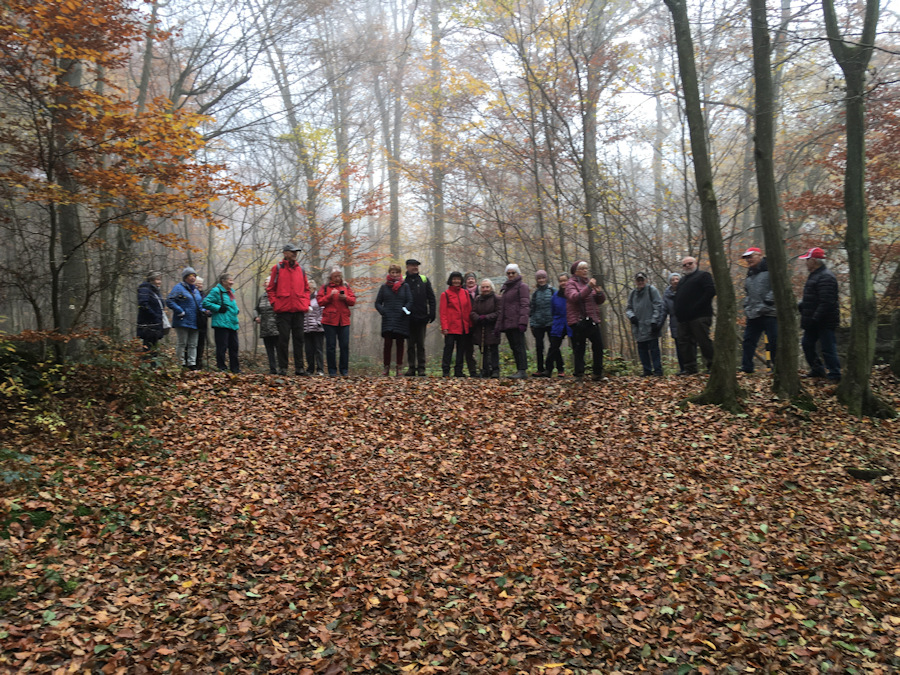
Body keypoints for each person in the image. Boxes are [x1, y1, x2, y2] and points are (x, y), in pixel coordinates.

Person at [797, 247, 841, 381]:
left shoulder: (826, 277)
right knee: (807, 344)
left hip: (824, 321)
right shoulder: (815, 275)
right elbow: (813, 298)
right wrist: (802, 306)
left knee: (828, 348)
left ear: (814, 261)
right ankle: (817, 370)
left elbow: (826, 302)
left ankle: (835, 374)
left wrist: (814, 318)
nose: (806, 262)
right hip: (813, 321)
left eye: (807, 260)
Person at [266, 243, 310, 376]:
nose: (295, 254)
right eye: (292, 251)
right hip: (283, 310)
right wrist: (275, 303)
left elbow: (307, 289)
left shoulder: (301, 270)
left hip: (298, 309)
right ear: (285, 253)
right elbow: (270, 289)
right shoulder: (277, 268)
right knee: (283, 340)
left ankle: (299, 368)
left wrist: (305, 303)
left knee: (299, 339)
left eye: (296, 252)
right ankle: (283, 368)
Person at [673, 256, 716, 374]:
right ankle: (690, 368)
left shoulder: (703, 276)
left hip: (700, 316)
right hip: (683, 318)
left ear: (695, 263)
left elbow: (710, 292)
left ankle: (713, 367)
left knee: (704, 341)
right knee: (684, 343)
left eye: (690, 263)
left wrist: (696, 306)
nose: (687, 266)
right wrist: (677, 311)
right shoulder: (682, 280)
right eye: (684, 265)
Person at [565, 260, 606, 380]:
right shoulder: (570, 284)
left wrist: (599, 293)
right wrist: (589, 287)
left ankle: (597, 373)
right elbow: (575, 297)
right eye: (582, 268)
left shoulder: (590, 283)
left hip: (592, 319)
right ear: (575, 271)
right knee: (579, 348)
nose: (585, 271)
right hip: (578, 320)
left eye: (586, 268)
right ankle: (579, 374)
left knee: (598, 346)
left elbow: (599, 301)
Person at [740, 247, 777, 374]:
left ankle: (777, 368)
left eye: (751, 256)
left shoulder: (771, 269)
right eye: (746, 258)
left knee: (774, 342)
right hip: (753, 313)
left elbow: (777, 286)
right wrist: (747, 304)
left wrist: (769, 300)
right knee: (748, 341)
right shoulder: (750, 274)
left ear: (760, 255)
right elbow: (747, 292)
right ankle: (747, 368)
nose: (748, 260)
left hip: (770, 313)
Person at [375, 264, 413, 376]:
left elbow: (410, 301)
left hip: (401, 319)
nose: (395, 274)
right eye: (392, 272)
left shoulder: (405, 286)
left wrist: (404, 310)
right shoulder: (384, 287)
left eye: (397, 272)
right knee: (387, 344)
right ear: (389, 273)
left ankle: (399, 368)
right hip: (388, 319)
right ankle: (386, 368)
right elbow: (377, 303)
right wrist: (383, 311)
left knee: (400, 343)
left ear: (400, 273)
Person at [317, 268, 356, 376]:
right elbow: (320, 302)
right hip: (329, 321)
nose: (338, 278)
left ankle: (344, 370)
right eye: (335, 276)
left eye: (339, 276)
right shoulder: (325, 287)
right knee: (331, 346)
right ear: (331, 277)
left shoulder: (346, 286)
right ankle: (332, 371)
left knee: (344, 346)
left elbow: (353, 301)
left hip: (344, 320)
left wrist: (345, 298)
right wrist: (329, 296)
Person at [495, 264, 530, 378]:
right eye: (508, 273)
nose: (510, 275)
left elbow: (525, 304)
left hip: (517, 321)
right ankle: (519, 369)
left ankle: (522, 370)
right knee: (514, 347)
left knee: (519, 346)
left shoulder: (522, 286)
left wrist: (523, 321)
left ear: (517, 273)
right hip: (508, 322)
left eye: (513, 273)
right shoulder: (507, 288)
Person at [626, 272, 664, 376]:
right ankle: (647, 371)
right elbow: (628, 308)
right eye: (638, 280)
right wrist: (631, 316)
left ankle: (658, 371)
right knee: (642, 351)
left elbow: (658, 305)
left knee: (654, 350)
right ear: (635, 281)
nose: (640, 282)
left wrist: (654, 321)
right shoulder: (633, 294)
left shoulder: (652, 290)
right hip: (638, 327)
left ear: (646, 280)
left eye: (642, 280)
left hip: (651, 326)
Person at [166, 266, 205, 370]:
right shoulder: (179, 288)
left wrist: (205, 311)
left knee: (193, 344)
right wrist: (180, 310)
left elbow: (200, 305)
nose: (192, 278)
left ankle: (192, 364)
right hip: (182, 320)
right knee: (182, 343)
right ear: (185, 277)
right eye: (190, 276)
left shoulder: (196, 290)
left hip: (195, 321)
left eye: (194, 276)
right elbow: (170, 300)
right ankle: (180, 363)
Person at [403, 259, 436, 376]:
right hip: (407, 318)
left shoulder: (424, 279)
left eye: (416, 265)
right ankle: (411, 367)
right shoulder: (403, 280)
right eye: (412, 265)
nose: (415, 267)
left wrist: (432, 313)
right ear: (407, 267)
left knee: (421, 344)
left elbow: (431, 298)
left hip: (422, 317)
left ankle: (421, 368)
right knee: (410, 344)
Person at [202, 272, 240, 374]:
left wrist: (237, 310)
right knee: (222, 347)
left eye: (232, 280)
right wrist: (218, 308)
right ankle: (222, 368)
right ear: (223, 281)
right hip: (221, 324)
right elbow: (205, 303)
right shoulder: (216, 291)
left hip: (232, 323)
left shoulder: (231, 292)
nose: (232, 282)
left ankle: (235, 369)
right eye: (230, 280)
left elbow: (232, 306)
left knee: (234, 347)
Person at [440, 271, 473, 377]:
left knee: (461, 349)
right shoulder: (445, 294)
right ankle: (446, 370)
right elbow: (443, 312)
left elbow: (469, 310)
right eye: (454, 279)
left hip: (463, 327)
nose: (456, 281)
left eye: (458, 279)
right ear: (451, 280)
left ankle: (458, 371)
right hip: (450, 328)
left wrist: (470, 325)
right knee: (448, 348)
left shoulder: (465, 293)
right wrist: (444, 327)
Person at [541, 273, 571, 377]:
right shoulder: (555, 296)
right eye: (561, 281)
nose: (563, 283)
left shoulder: (573, 294)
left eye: (565, 280)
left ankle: (578, 370)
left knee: (577, 347)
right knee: (553, 347)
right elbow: (552, 310)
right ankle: (548, 369)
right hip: (558, 324)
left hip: (571, 323)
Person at [471, 279, 501, 378]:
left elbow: (499, 312)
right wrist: (478, 318)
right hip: (480, 327)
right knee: (483, 349)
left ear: (491, 287)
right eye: (483, 287)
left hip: (492, 327)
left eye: (487, 287)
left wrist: (487, 317)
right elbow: (473, 312)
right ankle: (484, 370)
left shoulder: (496, 298)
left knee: (493, 349)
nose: (485, 289)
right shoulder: (478, 299)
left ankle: (495, 370)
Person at [529, 270, 555, 377]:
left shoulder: (552, 291)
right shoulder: (535, 294)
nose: (541, 280)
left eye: (543, 278)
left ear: (546, 278)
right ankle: (540, 369)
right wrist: (532, 323)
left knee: (553, 346)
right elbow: (532, 309)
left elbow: (557, 306)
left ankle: (552, 369)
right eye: (539, 278)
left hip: (551, 322)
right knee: (539, 347)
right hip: (538, 323)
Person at [136, 272, 168, 356]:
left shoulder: (155, 291)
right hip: (148, 324)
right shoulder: (145, 289)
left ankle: (153, 366)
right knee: (148, 346)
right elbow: (143, 305)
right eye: (157, 279)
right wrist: (154, 316)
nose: (159, 282)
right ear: (151, 280)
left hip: (155, 324)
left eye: (160, 279)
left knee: (154, 346)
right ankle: (147, 365)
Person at [660, 273, 685, 374]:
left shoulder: (685, 290)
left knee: (689, 346)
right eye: (673, 280)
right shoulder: (667, 295)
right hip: (675, 323)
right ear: (670, 282)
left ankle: (691, 368)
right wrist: (658, 324)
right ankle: (683, 369)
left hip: (687, 321)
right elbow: (663, 311)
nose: (675, 281)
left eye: (677, 279)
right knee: (679, 347)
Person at [255, 280, 280, 375]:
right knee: (269, 350)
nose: (265, 284)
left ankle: (281, 368)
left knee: (278, 349)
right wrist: (256, 316)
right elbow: (255, 309)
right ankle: (272, 369)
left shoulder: (277, 295)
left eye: (267, 282)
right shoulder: (261, 297)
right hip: (264, 328)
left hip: (276, 327)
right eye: (264, 283)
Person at [304, 281, 325, 375]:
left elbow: (323, 311)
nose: (308, 290)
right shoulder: (303, 298)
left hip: (317, 328)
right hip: (306, 328)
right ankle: (310, 369)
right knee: (308, 350)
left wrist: (319, 322)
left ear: (314, 289)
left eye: (309, 288)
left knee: (318, 349)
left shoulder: (318, 298)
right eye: (306, 289)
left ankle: (320, 369)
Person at [462, 272, 479, 377]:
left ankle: (485, 368)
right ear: (465, 281)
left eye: (472, 279)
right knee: (468, 349)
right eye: (468, 279)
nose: (471, 281)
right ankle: (472, 371)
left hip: (480, 323)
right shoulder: (462, 292)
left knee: (485, 348)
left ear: (475, 280)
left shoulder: (481, 291)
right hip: (467, 324)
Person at [194, 276, 209, 370]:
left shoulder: (204, 294)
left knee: (201, 344)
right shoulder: (192, 294)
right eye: (198, 283)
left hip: (203, 322)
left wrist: (208, 312)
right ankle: (191, 363)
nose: (200, 285)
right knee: (193, 343)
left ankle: (199, 363)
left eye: (201, 284)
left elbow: (208, 306)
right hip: (194, 322)